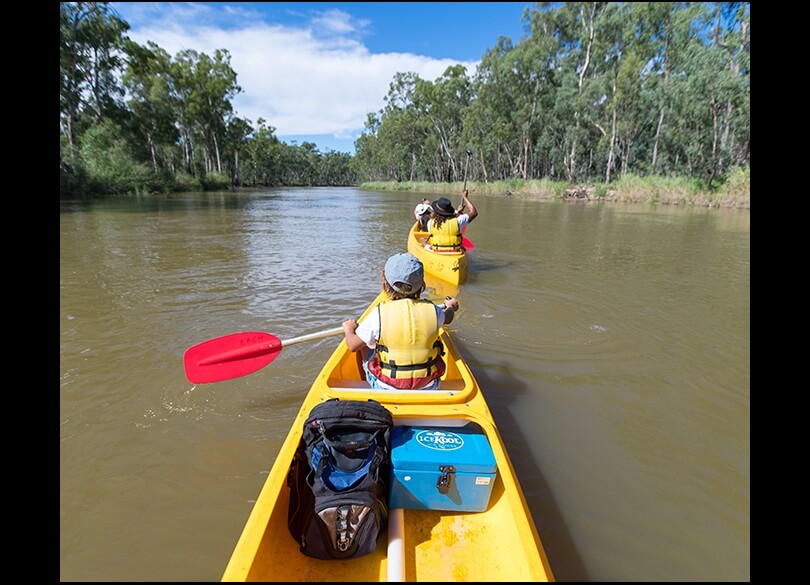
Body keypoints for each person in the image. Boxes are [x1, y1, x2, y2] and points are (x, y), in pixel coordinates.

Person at [342, 253, 460, 390]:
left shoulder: (378, 314)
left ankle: (370, 381)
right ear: (422, 285)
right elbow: (448, 317)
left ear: (385, 285)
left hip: (387, 387)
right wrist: (451, 306)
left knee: (366, 346)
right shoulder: (434, 310)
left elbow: (352, 346)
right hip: (429, 385)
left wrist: (349, 329)